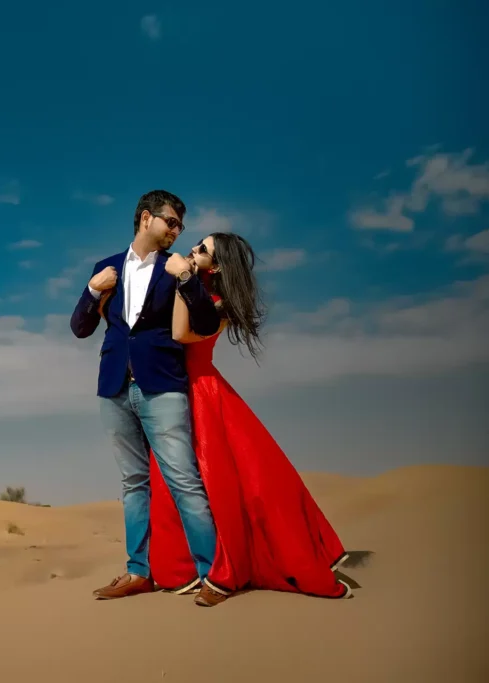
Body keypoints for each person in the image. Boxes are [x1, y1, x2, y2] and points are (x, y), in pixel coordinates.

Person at [143, 231, 353, 606]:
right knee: (167, 479)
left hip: (203, 394)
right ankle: (180, 570)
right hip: (172, 390)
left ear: (218, 264)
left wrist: (183, 280)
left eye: (202, 250)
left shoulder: (219, 304)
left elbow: (179, 334)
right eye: (196, 244)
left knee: (225, 483)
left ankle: (228, 572)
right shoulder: (195, 287)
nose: (193, 250)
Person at [70, 190, 225, 607]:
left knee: (183, 480)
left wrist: (188, 279)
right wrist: (90, 289)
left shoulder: (178, 268)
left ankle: (213, 574)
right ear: (145, 218)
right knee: (133, 483)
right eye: (171, 222)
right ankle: (139, 571)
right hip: (114, 386)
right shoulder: (106, 268)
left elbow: (207, 321)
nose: (176, 231)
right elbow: (80, 329)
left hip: (163, 385)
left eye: (180, 226)